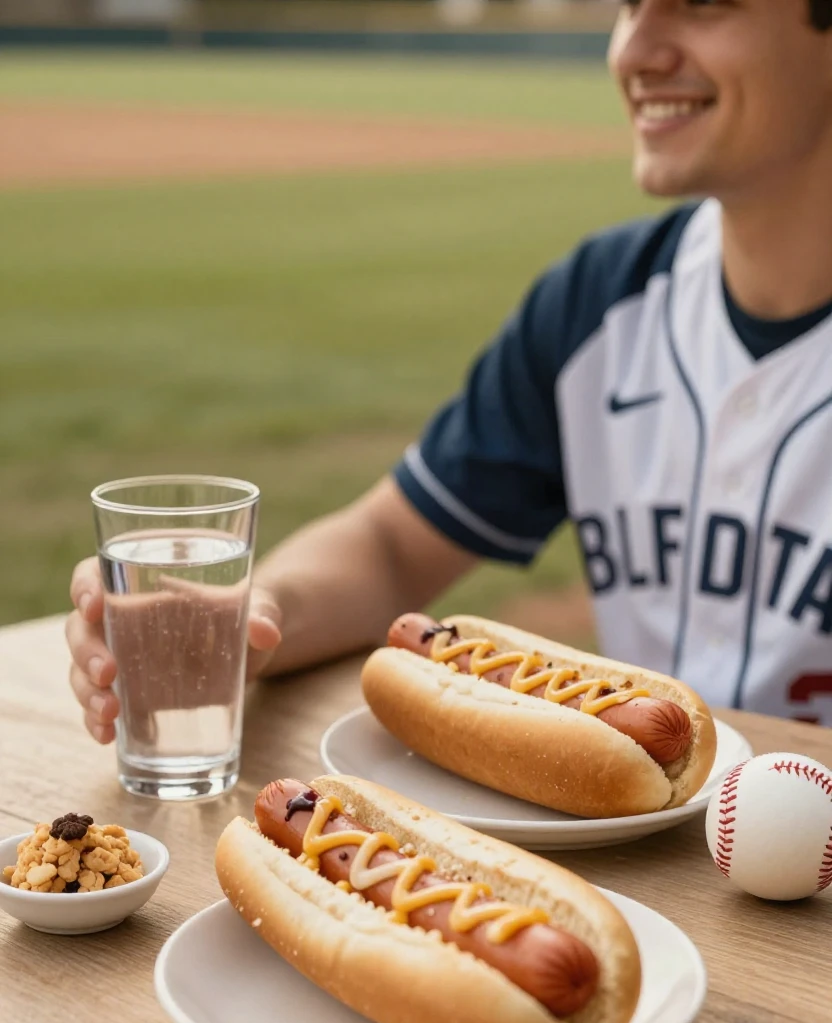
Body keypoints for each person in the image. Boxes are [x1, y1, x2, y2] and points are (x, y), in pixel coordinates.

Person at [67, 0, 832, 742]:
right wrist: (251, 615)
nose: (635, 51)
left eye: (702, 5)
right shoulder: (599, 302)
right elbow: (393, 545)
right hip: (659, 855)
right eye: (631, 5)